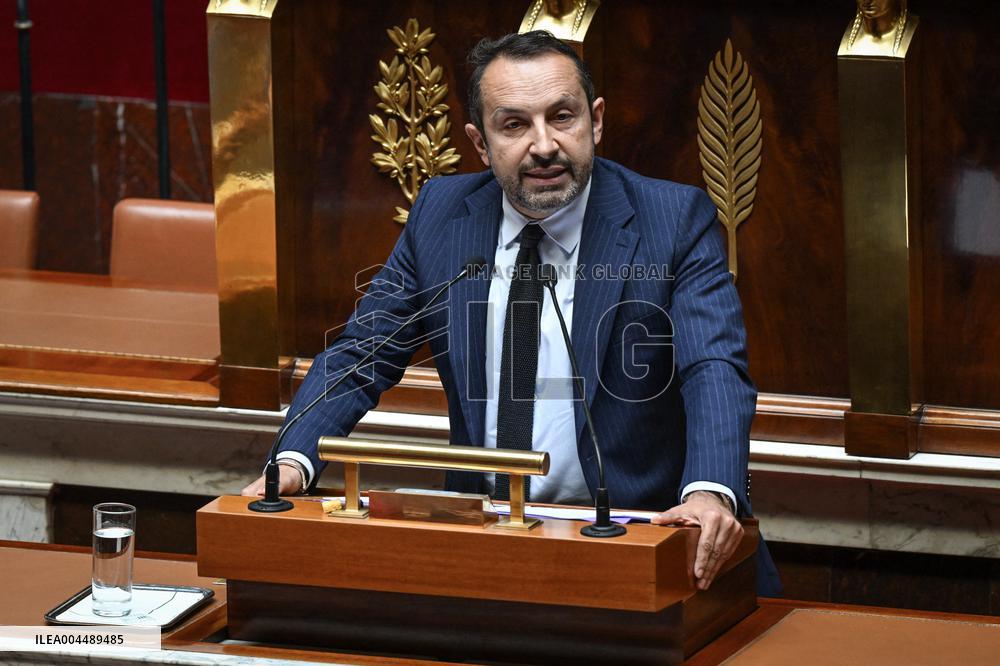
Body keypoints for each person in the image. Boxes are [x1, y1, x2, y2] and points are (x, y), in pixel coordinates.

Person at [243, 31, 781, 596]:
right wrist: (293, 460)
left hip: (640, 540)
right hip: (487, 546)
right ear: (481, 142)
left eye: (562, 117)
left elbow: (713, 366)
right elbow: (362, 353)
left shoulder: (671, 221)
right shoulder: (441, 216)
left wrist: (710, 490)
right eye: (515, 125)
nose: (544, 145)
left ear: (595, 122)